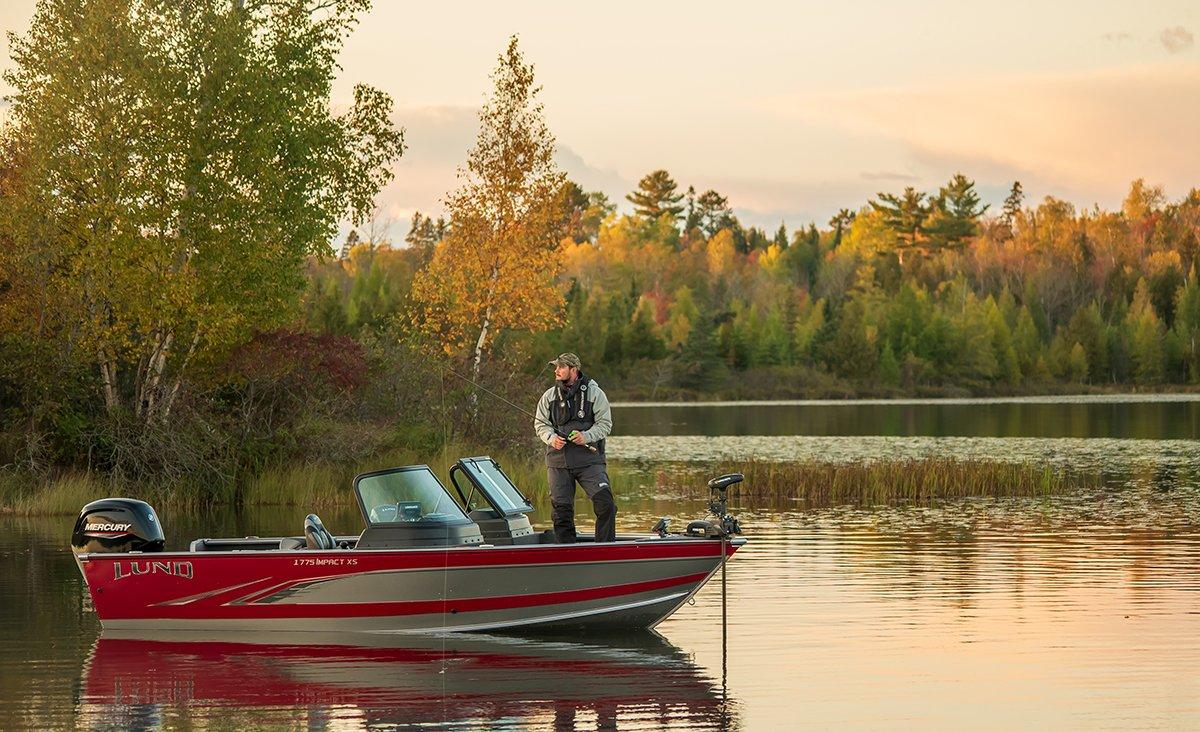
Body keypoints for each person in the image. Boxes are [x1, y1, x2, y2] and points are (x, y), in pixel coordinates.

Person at [533, 352, 616, 543]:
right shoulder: (549, 396)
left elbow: (605, 424)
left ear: (573, 369)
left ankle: (605, 550)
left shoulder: (595, 393)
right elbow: (540, 424)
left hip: (589, 462)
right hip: (558, 462)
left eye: (561, 367)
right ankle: (567, 553)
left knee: (606, 505)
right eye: (556, 366)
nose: (556, 370)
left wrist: (585, 436)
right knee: (561, 514)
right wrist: (551, 438)